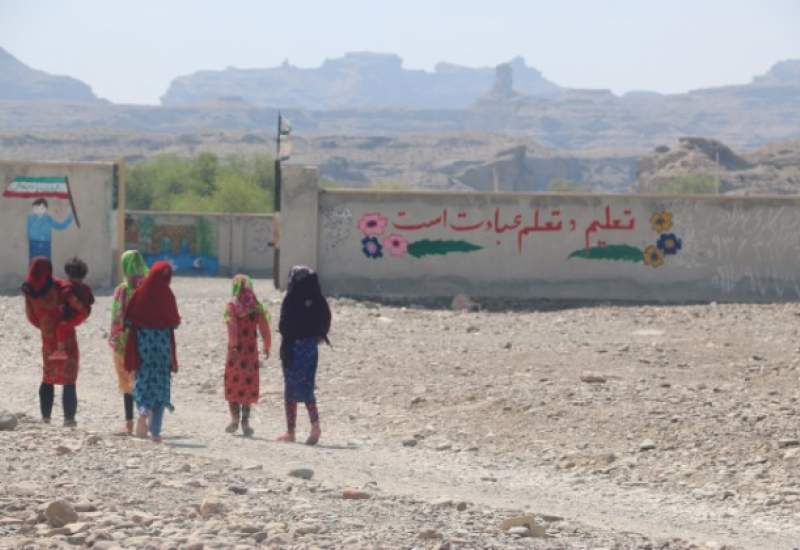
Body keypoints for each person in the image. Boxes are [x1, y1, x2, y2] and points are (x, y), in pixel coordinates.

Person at [22, 257, 85, 427]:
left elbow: (31, 316)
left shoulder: (28, 291)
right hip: (67, 337)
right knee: (69, 378)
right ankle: (69, 419)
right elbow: (78, 307)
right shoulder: (59, 286)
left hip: (48, 339)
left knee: (48, 376)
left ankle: (46, 417)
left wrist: (45, 326)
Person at [124, 261, 180, 443]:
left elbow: (128, 318)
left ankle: (142, 411)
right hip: (163, 346)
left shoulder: (141, 293)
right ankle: (155, 432)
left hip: (144, 346)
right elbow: (175, 321)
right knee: (161, 386)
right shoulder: (168, 295)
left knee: (143, 380)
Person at [277, 266, 331, 445]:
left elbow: (284, 325)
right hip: (310, 348)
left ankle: (290, 432)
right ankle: (315, 426)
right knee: (307, 388)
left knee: (290, 390)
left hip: (292, 349)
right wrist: (319, 335)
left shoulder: (291, 299)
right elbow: (326, 317)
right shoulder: (318, 299)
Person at [224, 274, 272, 436]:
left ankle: (234, 419)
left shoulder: (232, 305)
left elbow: (232, 327)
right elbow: (264, 326)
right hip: (250, 353)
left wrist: (234, 346)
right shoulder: (255, 305)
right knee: (247, 385)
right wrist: (267, 345)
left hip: (235, 353)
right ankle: (245, 422)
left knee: (233, 384)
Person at [108, 250, 148, 434]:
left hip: (125, 343)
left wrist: (115, 339)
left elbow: (117, 317)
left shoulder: (122, 290)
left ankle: (129, 423)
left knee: (126, 383)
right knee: (141, 381)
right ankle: (143, 421)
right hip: (146, 341)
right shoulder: (148, 288)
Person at [49, 257, 94, 362]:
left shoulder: (68, 288)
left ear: (68, 273)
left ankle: (61, 351)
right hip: (84, 314)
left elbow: (71, 300)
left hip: (79, 314)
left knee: (61, 327)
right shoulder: (85, 287)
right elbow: (91, 300)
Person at [26, 198, 73, 264]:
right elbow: (29, 231)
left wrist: (69, 219)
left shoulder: (48, 219)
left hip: (45, 244)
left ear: (45, 209)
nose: (37, 210)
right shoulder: (30, 218)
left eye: (40, 208)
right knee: (33, 262)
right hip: (33, 244)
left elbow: (59, 226)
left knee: (45, 262)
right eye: (35, 208)